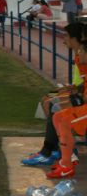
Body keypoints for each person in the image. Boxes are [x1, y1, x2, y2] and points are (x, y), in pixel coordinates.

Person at [22, 23, 87, 167]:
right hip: (75, 89)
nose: (63, 39)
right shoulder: (78, 55)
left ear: (75, 39)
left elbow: (82, 85)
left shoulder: (82, 55)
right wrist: (71, 88)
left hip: (79, 93)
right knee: (46, 97)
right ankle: (57, 147)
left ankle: (49, 151)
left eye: (66, 36)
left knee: (52, 104)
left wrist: (74, 89)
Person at [49, 29, 87, 178]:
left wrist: (78, 95)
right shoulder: (81, 62)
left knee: (63, 118)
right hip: (82, 102)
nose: (79, 55)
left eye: (82, 52)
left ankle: (65, 164)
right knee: (57, 115)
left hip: (82, 103)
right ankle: (68, 157)